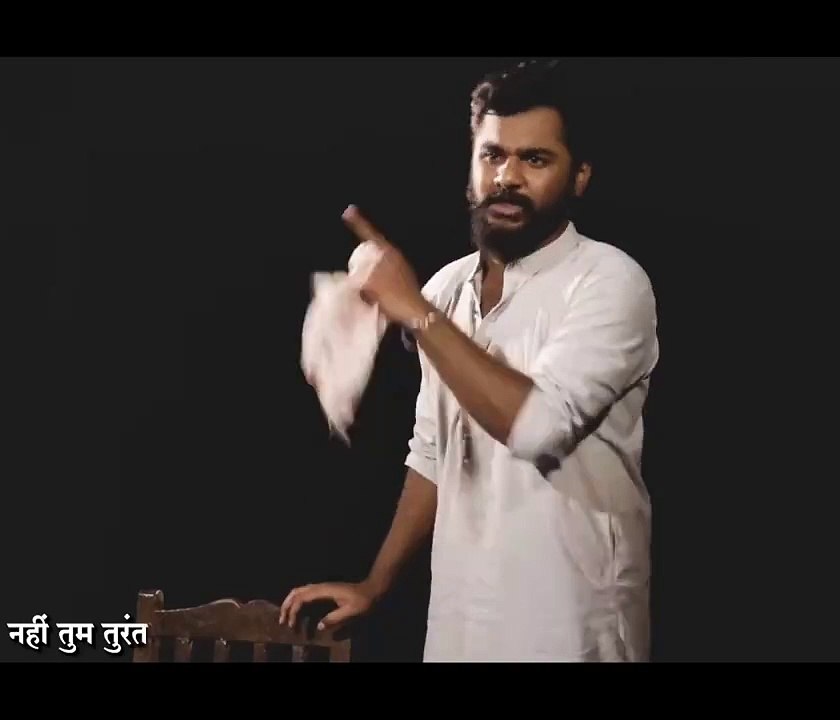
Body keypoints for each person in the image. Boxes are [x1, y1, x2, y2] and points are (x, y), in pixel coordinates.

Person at [279, 59, 659, 662]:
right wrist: (376, 585)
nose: (507, 177)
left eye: (535, 159)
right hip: (460, 628)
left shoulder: (610, 282)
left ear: (579, 176)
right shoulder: (446, 289)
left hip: (571, 631)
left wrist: (414, 312)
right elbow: (435, 450)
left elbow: (538, 427)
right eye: (492, 155)